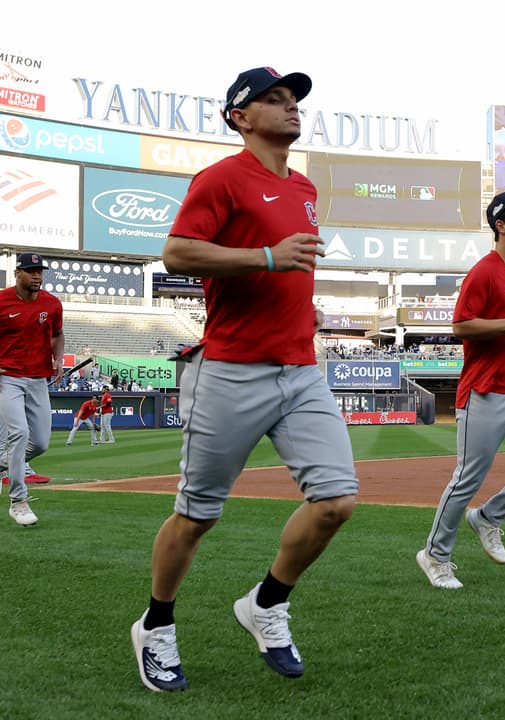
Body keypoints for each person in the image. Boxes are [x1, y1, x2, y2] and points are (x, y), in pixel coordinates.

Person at [130, 67, 359, 693]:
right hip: (231, 371)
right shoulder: (221, 178)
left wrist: (299, 303)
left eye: (294, 100)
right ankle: (156, 625)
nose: (291, 108)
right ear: (240, 116)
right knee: (196, 516)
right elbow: (177, 252)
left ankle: (267, 603)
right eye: (274, 100)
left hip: (300, 368)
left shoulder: (304, 186)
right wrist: (266, 258)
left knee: (336, 502)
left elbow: (286, 268)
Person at [416, 189, 505, 590]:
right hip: (486, 392)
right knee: (466, 479)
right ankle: (435, 555)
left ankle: (488, 517)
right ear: (501, 226)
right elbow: (461, 326)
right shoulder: (484, 272)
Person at [0, 252, 63, 526]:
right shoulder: (2, 301)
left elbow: (58, 334)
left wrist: (58, 359)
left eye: (40, 271)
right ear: (18, 273)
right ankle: (18, 501)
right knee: (19, 433)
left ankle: (2, 464)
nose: (37, 276)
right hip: (8, 377)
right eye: (31, 271)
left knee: (40, 443)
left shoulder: (52, 303)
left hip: (38, 378)